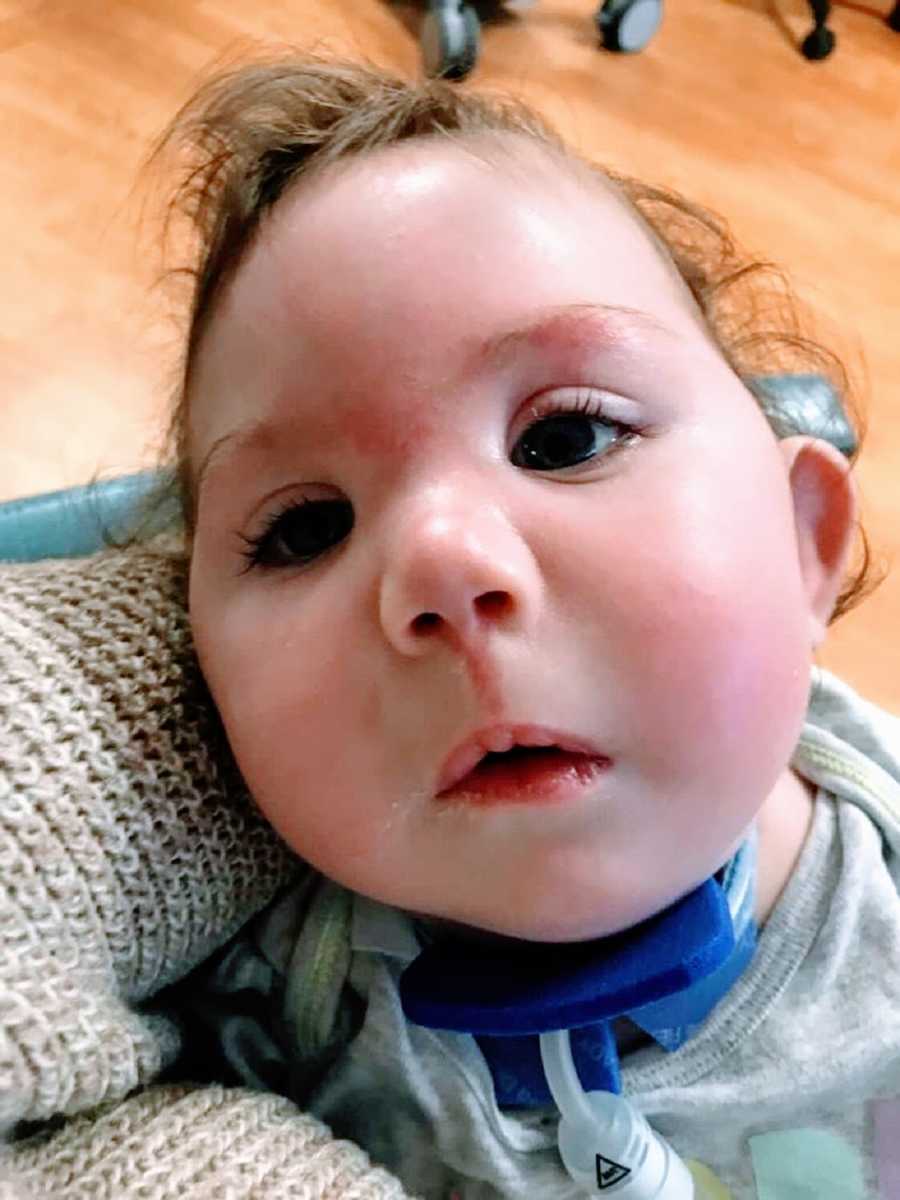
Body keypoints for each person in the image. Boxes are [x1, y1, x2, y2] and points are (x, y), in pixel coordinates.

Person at [151, 52, 900, 1198]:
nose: (441, 566)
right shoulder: (250, 985)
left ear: (803, 539)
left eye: (566, 440)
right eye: (306, 528)